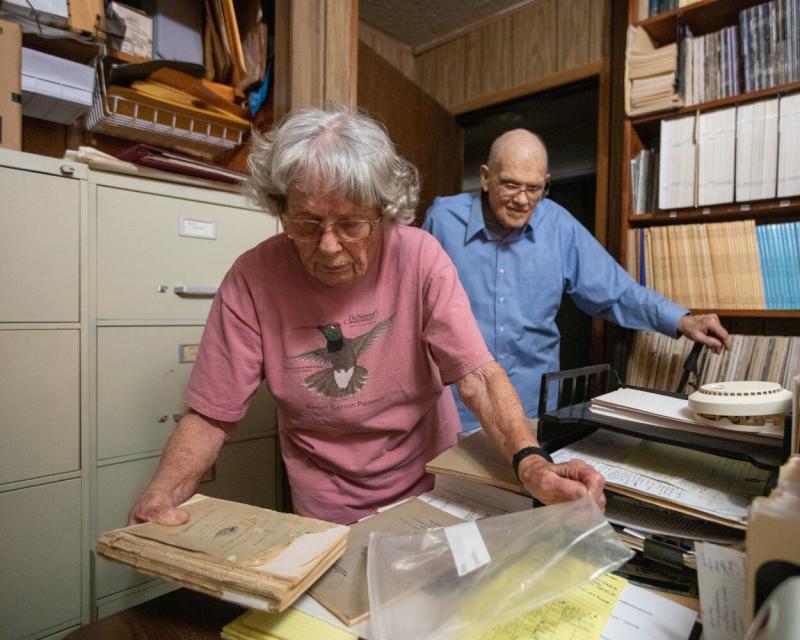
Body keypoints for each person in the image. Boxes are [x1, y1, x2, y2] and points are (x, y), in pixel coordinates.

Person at [127, 109, 606, 527]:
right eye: (307, 223)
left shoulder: (420, 257)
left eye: (352, 224)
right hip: (323, 503)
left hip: (432, 483)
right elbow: (212, 411)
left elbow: (477, 375)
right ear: (281, 208)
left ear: (385, 212)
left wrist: (533, 464)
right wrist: (161, 494)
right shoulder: (252, 277)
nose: (329, 245)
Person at [423, 129, 730, 431]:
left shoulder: (559, 226)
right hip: (456, 409)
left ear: (545, 184)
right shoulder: (443, 221)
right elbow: (412, 309)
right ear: (486, 177)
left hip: (530, 410)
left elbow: (617, 292)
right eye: (511, 184)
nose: (521, 199)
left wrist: (683, 320)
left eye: (533, 188)